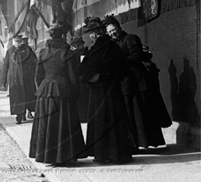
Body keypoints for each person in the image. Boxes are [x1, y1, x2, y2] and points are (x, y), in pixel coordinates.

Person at [104, 15, 170, 148]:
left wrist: (120, 62)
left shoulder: (130, 38)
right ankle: (135, 143)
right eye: (110, 31)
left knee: (141, 113)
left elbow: (137, 55)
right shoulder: (114, 44)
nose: (113, 33)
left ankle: (146, 142)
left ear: (119, 27)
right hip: (126, 83)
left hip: (137, 81)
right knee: (132, 114)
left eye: (114, 29)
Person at [29, 22, 86, 166]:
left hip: (45, 92)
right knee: (62, 123)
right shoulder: (68, 53)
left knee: (46, 124)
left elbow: (37, 77)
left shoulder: (42, 52)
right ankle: (64, 155)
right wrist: (75, 94)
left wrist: (43, 88)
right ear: (63, 36)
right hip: (63, 91)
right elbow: (73, 77)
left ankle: (47, 156)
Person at [78, 17, 132, 164]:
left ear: (95, 33)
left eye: (90, 33)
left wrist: (94, 77)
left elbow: (83, 69)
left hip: (98, 91)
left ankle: (101, 154)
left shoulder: (96, 49)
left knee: (101, 122)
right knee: (114, 121)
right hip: (113, 90)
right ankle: (118, 154)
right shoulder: (113, 47)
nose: (90, 36)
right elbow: (122, 68)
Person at [1, 35, 28, 124]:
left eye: (19, 42)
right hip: (14, 79)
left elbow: (33, 64)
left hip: (25, 78)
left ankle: (24, 112)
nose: (18, 43)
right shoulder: (10, 52)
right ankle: (18, 115)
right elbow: (5, 67)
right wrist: (4, 81)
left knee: (25, 96)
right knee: (16, 97)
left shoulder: (27, 50)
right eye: (16, 42)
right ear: (13, 42)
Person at [19, 36, 37, 120]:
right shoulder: (27, 51)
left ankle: (27, 112)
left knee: (27, 96)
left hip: (27, 77)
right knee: (27, 96)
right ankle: (25, 113)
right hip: (27, 77)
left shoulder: (27, 51)